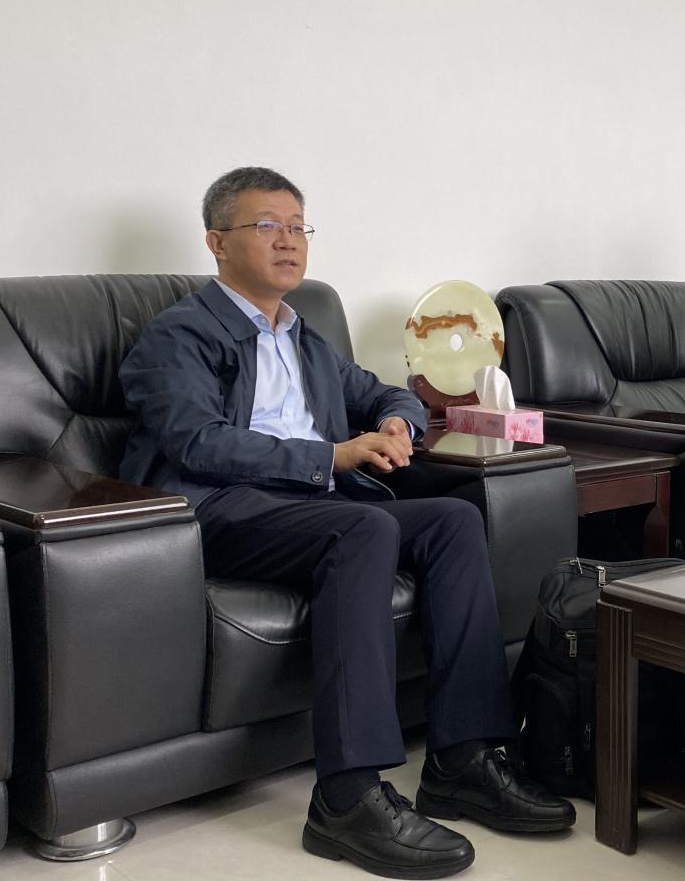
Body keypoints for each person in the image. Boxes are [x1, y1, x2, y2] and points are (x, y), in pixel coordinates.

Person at [119, 166, 574, 879]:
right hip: (219, 509)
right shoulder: (178, 335)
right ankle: (346, 796)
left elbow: (387, 391)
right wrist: (331, 457)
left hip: (312, 506)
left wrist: (396, 422)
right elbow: (197, 444)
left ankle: (463, 759)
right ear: (217, 242)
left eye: (298, 227)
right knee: (365, 528)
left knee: (453, 521)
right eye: (266, 225)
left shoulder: (305, 339)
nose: (288, 241)